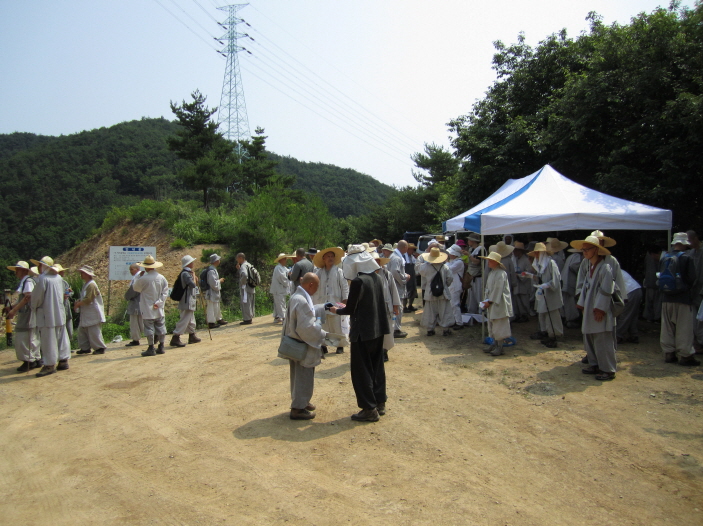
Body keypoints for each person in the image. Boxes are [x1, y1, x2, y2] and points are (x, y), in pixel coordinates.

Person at [330, 246, 390, 422]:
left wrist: (336, 310)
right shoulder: (377, 277)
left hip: (362, 332)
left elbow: (350, 308)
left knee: (361, 370)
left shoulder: (358, 282)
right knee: (377, 366)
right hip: (378, 329)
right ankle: (380, 402)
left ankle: (368, 408)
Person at [281, 273, 329, 420]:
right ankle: (298, 408)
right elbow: (306, 328)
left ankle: (302, 401)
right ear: (310, 285)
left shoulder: (297, 297)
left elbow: (309, 312)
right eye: (317, 286)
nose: (317, 289)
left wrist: (322, 307)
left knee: (298, 376)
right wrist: (324, 335)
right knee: (304, 376)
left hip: (295, 344)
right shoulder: (301, 300)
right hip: (303, 345)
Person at [572, 235, 617, 381]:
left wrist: (600, 309)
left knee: (602, 338)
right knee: (590, 336)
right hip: (589, 306)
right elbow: (585, 287)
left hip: (599, 308)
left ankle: (608, 369)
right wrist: (582, 302)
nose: (584, 252)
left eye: (587, 249)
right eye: (583, 249)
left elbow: (606, 289)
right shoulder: (589, 266)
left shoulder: (605, 267)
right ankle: (595, 363)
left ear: (596, 250)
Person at [659, 232, 700, 366]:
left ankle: (668, 353)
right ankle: (685, 355)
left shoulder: (664, 257)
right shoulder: (686, 258)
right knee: (684, 328)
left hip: (666, 297)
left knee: (667, 327)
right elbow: (692, 279)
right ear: (684, 244)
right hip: (683, 298)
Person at [30, 256, 71, 377]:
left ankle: (49, 365)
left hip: (47, 314)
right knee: (61, 337)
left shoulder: (43, 279)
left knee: (48, 340)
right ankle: (63, 360)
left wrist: (33, 306)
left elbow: (37, 298)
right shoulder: (58, 278)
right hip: (59, 312)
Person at [5, 261, 41, 372]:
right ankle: (35, 358)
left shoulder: (28, 282)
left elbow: (27, 298)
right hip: (30, 312)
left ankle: (28, 360)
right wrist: (13, 307)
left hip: (27, 314)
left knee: (23, 336)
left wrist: (14, 310)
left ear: (24, 271)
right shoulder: (29, 281)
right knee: (32, 336)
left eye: (18, 269)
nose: (16, 272)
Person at [312, 247, 348, 354]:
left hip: (336, 302)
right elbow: (314, 287)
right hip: (321, 303)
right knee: (323, 325)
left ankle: (340, 345)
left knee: (337, 326)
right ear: (323, 259)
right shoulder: (318, 273)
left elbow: (345, 287)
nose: (330, 258)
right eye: (328, 256)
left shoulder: (339, 272)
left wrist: (345, 301)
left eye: (332, 256)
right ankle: (323, 345)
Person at [527, 242, 563, 348]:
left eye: (538, 254)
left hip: (551, 295)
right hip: (544, 294)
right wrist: (532, 276)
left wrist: (547, 285)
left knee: (552, 317)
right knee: (543, 315)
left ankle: (555, 337)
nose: (536, 256)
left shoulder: (551, 263)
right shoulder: (541, 266)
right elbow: (540, 279)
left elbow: (556, 281)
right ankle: (547, 334)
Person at [133, 255, 169, 357]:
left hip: (147, 307)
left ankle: (151, 347)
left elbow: (136, 288)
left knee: (149, 327)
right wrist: (159, 302)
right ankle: (161, 346)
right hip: (159, 307)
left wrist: (139, 276)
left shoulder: (143, 279)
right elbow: (165, 292)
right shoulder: (161, 277)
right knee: (160, 326)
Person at [479, 251, 514, 356]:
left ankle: (500, 347)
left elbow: (498, 290)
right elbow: (488, 289)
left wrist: (490, 301)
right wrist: (486, 300)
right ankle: (494, 344)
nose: (488, 262)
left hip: (499, 303)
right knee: (492, 324)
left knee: (499, 325)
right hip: (492, 302)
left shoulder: (501, 273)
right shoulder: (492, 272)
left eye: (490, 261)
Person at [417, 247, 455, 336]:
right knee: (444, 311)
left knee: (430, 311)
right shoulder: (445, 267)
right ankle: (446, 329)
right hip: (443, 293)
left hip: (430, 292)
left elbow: (419, 270)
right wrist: (444, 286)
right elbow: (450, 278)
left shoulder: (426, 267)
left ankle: (430, 329)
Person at [74, 265, 107, 355]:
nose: (81, 274)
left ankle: (100, 347)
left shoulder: (91, 285)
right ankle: (85, 347)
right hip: (87, 312)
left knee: (94, 331)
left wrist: (78, 304)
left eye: (83, 273)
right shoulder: (86, 284)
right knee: (83, 330)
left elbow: (89, 299)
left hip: (92, 311)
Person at [374, 253, 401, 362]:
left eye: (377, 261)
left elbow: (393, 290)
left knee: (387, 329)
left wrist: (395, 306)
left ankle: (384, 351)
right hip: (372, 307)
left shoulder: (386, 274)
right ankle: (375, 351)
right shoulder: (365, 274)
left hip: (386, 307)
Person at [170, 255, 202, 347]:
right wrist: (194, 277)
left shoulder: (186, 273)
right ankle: (176, 337)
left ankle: (192, 335)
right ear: (189, 263)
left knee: (191, 319)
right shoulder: (186, 274)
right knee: (184, 319)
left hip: (188, 300)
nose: (193, 263)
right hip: (186, 300)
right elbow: (192, 285)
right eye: (192, 262)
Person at [382, 242, 410, 338]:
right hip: (396, 287)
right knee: (397, 308)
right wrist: (403, 280)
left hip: (392, 286)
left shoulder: (392, 258)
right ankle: (396, 330)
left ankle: (393, 328)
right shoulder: (396, 258)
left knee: (394, 307)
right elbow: (394, 272)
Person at [686, 230, 703, 353]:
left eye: (690, 240)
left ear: (696, 238)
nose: (689, 243)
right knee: (694, 319)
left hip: (701, 289)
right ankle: (697, 343)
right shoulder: (691, 253)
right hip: (693, 290)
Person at [616, 270, 643, 344]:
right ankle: (634, 335)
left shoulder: (610, 271)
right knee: (632, 315)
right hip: (636, 289)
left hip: (630, 291)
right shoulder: (616, 269)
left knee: (624, 315)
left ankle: (618, 336)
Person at [562, 248, 583, 328]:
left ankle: (567, 319)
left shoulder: (570, 256)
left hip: (565, 281)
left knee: (567, 303)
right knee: (571, 303)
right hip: (569, 281)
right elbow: (574, 266)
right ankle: (570, 321)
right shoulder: (577, 256)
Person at [204, 253, 227, 329]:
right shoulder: (211, 271)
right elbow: (213, 283)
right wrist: (219, 281)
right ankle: (211, 322)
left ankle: (218, 319)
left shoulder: (213, 269)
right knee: (211, 307)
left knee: (216, 305)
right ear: (216, 261)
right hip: (211, 292)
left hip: (214, 292)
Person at [446, 244, 465, 330]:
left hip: (456, 285)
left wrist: (445, 262)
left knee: (455, 304)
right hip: (452, 285)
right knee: (451, 304)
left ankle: (459, 322)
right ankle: (454, 320)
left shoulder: (459, 262)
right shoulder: (453, 261)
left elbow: (449, 270)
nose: (449, 254)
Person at [511, 241, 532, 323]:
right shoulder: (514, 259)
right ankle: (518, 314)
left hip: (524, 283)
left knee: (524, 300)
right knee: (517, 300)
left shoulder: (526, 260)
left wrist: (519, 275)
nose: (514, 252)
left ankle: (525, 315)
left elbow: (528, 272)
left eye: (516, 250)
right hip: (517, 283)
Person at [124, 263, 144, 346]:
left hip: (136, 302)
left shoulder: (137, 277)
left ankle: (136, 339)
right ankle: (153, 335)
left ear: (137, 269)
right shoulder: (139, 277)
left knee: (135, 322)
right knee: (142, 322)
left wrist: (126, 297)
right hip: (141, 302)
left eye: (132, 269)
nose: (130, 271)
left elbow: (134, 290)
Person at [466, 233, 486, 314]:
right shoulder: (471, 249)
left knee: (479, 297)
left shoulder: (481, 249)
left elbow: (477, 262)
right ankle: (473, 313)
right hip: (472, 276)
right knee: (472, 297)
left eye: (469, 240)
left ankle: (482, 313)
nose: (468, 241)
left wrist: (469, 255)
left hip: (478, 276)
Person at [270, 253, 292, 324]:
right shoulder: (278, 268)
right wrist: (289, 283)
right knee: (280, 303)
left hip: (280, 289)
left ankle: (277, 317)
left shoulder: (283, 267)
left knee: (278, 303)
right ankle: (284, 318)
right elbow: (282, 279)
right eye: (285, 259)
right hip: (278, 289)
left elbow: (288, 272)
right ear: (281, 260)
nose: (286, 261)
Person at [643, 245, 663, 323]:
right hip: (651, 282)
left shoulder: (662, 258)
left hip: (655, 283)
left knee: (655, 302)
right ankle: (652, 317)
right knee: (652, 301)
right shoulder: (649, 258)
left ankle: (655, 317)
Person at [236, 253, 255, 325]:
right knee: (250, 302)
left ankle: (247, 319)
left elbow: (244, 275)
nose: (237, 260)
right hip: (251, 286)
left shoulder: (243, 266)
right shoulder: (249, 264)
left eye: (237, 258)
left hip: (246, 287)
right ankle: (250, 316)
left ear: (240, 258)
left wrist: (242, 282)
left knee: (246, 302)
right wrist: (239, 269)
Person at [404, 243, 419, 312]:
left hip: (412, 276)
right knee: (406, 291)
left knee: (413, 290)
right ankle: (404, 307)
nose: (412, 250)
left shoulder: (413, 257)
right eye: (411, 249)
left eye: (413, 249)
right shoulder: (403, 257)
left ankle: (410, 305)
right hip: (407, 276)